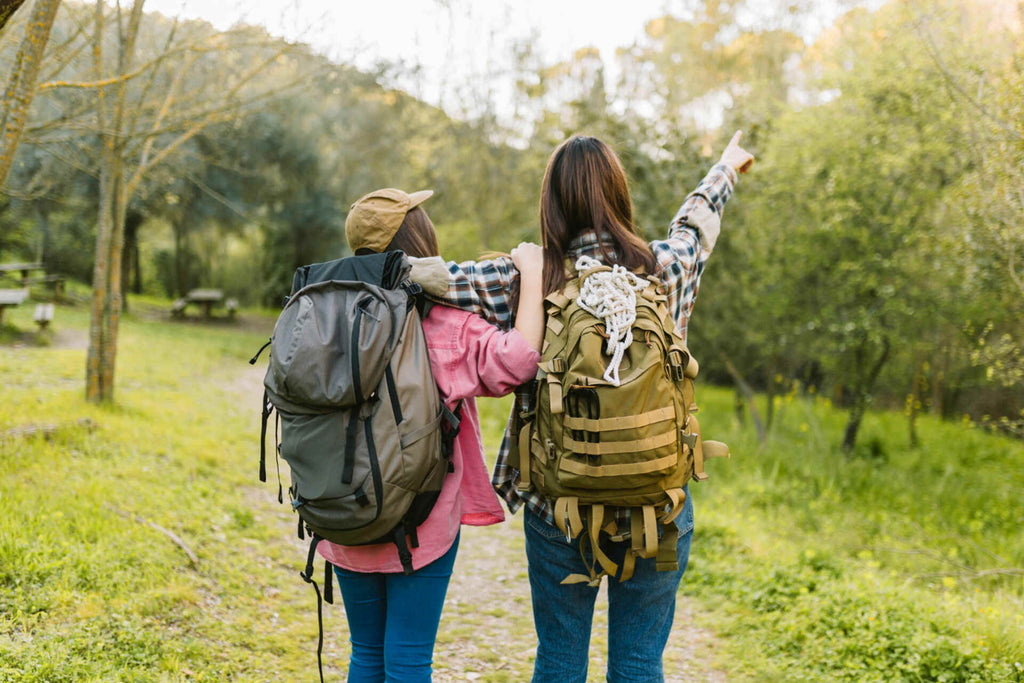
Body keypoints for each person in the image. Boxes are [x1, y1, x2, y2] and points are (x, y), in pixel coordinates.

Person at [435, 132, 754, 682]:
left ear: (551, 202)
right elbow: (696, 224)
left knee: (559, 660)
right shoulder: (664, 268)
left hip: (559, 509)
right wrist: (725, 166)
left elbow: (435, 280)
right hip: (658, 507)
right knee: (637, 662)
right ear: (619, 193)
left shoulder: (524, 280)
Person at [317, 187, 545, 683]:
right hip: (419, 524)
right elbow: (521, 360)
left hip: (342, 510)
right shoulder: (441, 325)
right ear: (419, 240)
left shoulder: (324, 318)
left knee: (366, 654)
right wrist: (532, 275)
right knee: (408, 660)